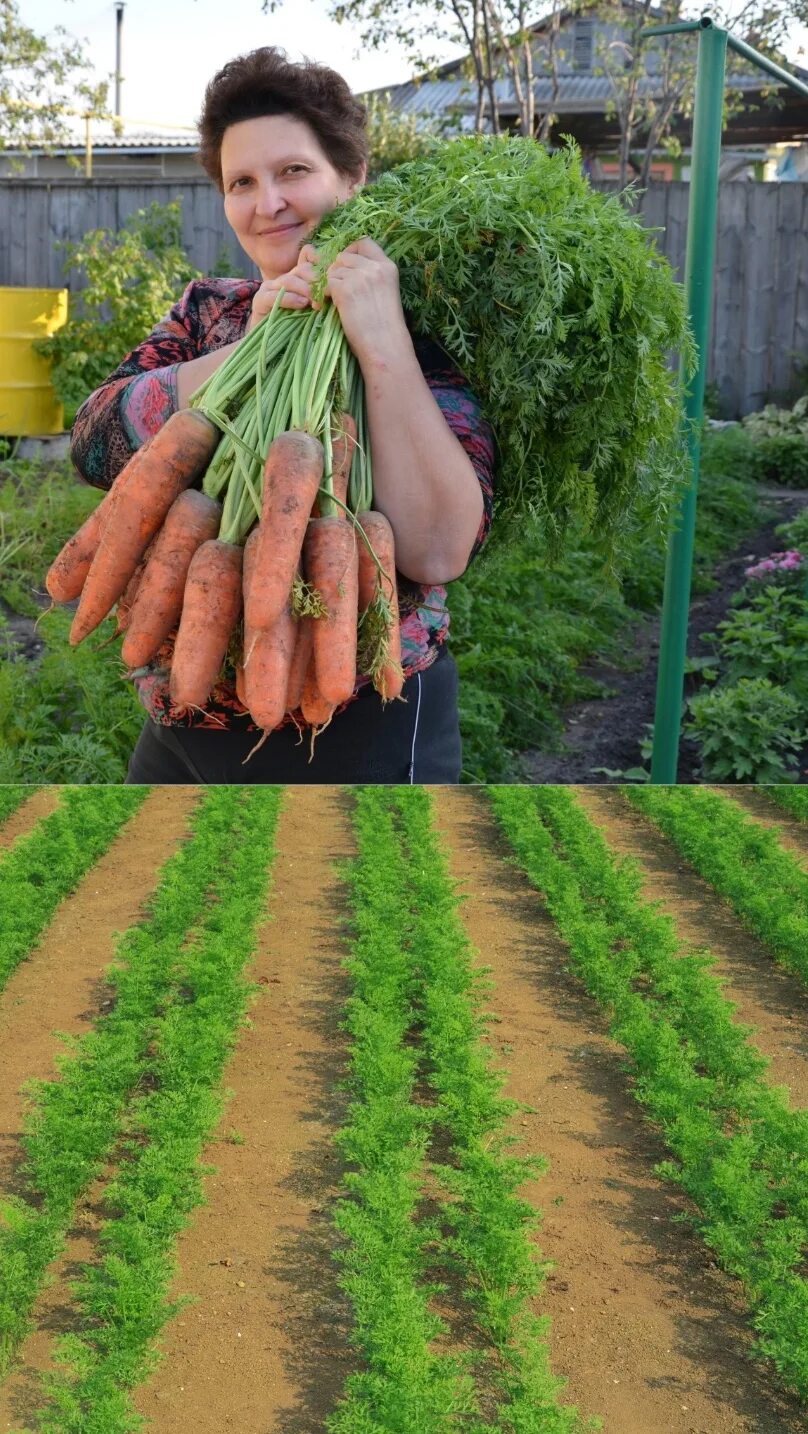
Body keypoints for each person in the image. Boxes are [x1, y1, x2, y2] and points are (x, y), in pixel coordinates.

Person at [70, 46, 496, 784]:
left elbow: (436, 550)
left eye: (293, 171)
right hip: (184, 707)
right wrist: (242, 350)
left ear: (352, 176)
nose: (267, 203)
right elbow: (93, 445)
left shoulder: (429, 329)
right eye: (242, 182)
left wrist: (383, 339)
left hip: (357, 714)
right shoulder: (210, 313)